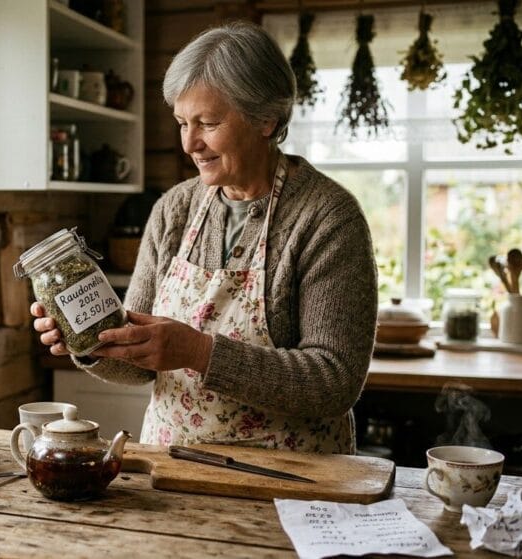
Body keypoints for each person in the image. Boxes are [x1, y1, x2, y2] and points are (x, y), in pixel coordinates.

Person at [31, 21, 377, 454]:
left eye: (208, 123)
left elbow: (334, 381)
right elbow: (141, 364)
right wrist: (90, 343)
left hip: (293, 480)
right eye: (181, 123)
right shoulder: (173, 211)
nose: (190, 143)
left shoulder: (327, 218)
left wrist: (200, 352)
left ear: (266, 118)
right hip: (176, 465)